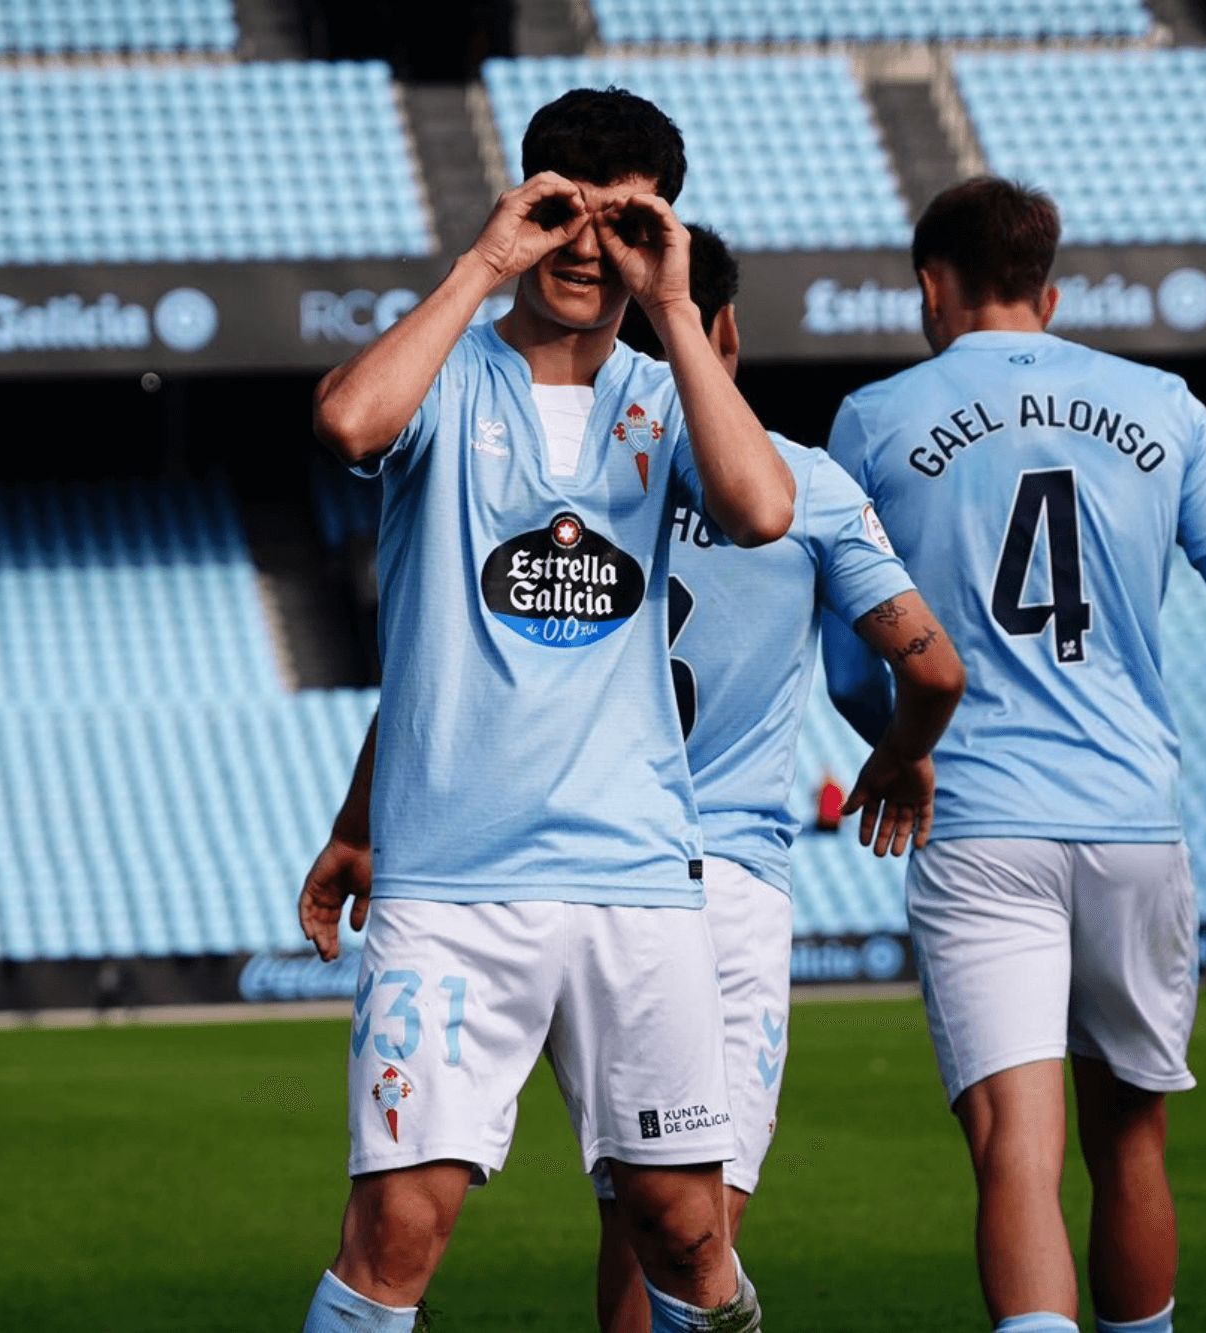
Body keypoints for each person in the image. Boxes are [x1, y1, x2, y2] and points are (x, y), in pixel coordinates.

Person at [308, 223, 966, 1332]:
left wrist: (361, 816)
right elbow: (931, 663)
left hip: (524, 842)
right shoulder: (793, 479)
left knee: (414, 1223)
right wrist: (898, 749)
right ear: (725, 333)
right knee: (681, 1235)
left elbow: (442, 652)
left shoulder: (569, 438)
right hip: (703, 884)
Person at [823, 176, 1206, 1333]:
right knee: (1131, 1138)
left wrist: (899, 750)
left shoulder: (873, 418)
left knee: (1015, 1149)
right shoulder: (1167, 407)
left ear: (929, 290)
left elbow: (853, 664)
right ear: (1047, 294)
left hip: (982, 821)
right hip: (1134, 822)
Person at [298, 88, 795, 1333]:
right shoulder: (447, 368)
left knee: (684, 1230)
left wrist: (675, 306)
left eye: (618, 218)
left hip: (635, 875)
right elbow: (347, 420)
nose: (584, 246)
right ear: (523, 202)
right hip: (454, 883)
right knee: (395, 1230)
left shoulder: (663, 389)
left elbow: (760, 510)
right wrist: (481, 264)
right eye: (560, 209)